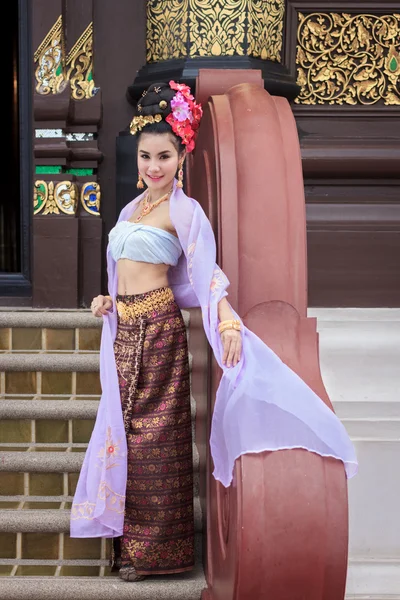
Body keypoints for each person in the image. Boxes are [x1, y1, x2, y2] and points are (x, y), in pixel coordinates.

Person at [70, 80, 358, 583]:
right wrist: (106, 300)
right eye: (144, 157)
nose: (153, 167)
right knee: (126, 439)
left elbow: (204, 274)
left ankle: (155, 554)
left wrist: (225, 318)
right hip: (124, 330)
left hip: (159, 331)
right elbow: (125, 270)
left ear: (181, 157)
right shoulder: (127, 212)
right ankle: (125, 547)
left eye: (163, 156)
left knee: (155, 441)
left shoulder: (185, 212)